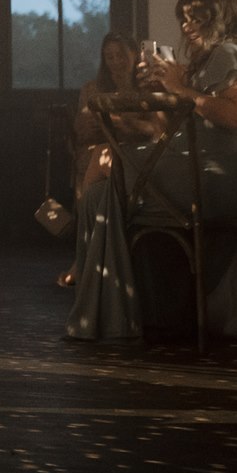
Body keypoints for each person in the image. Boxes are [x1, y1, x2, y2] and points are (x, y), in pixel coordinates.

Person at [66, 0, 237, 342]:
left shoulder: (228, 53)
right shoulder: (200, 65)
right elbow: (166, 133)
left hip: (221, 174)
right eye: (183, 18)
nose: (186, 26)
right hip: (197, 165)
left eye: (196, 18)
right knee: (98, 194)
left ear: (219, 19)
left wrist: (180, 90)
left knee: (101, 159)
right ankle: (109, 301)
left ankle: (96, 296)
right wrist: (163, 92)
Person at [58, 33, 156, 288]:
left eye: (121, 55)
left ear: (134, 55)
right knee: (91, 157)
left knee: (104, 160)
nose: (115, 61)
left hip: (134, 152)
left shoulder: (147, 88)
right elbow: (82, 131)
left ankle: (97, 258)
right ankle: (85, 256)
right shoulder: (93, 88)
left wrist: (122, 123)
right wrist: (87, 125)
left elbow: (155, 130)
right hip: (100, 151)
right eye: (109, 56)